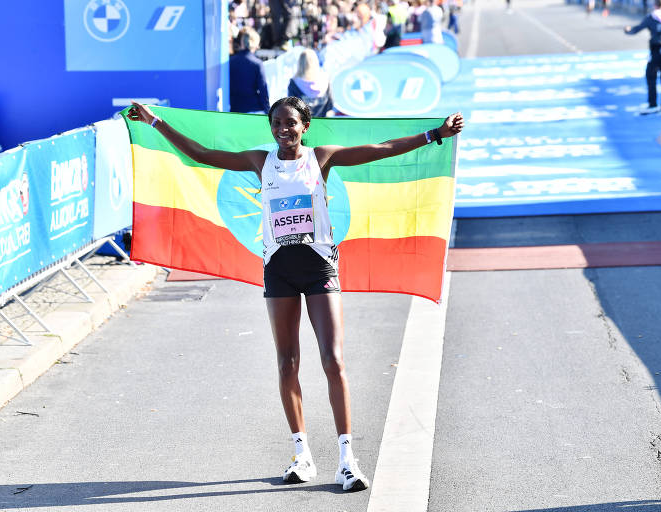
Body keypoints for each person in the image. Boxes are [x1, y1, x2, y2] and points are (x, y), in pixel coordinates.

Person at [126, 97, 464, 492]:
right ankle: (301, 454)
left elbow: (382, 149)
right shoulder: (260, 161)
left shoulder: (321, 158)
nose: (283, 130)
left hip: (319, 267)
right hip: (279, 271)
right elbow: (201, 154)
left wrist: (435, 134)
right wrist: (154, 122)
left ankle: (346, 460)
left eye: (291, 123)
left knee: (333, 360)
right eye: (276, 124)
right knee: (287, 362)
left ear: (305, 125)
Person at [625, 0, 661, 114]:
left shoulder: (652, 16)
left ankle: (652, 103)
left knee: (651, 76)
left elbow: (637, 29)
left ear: (655, 5)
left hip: (656, 50)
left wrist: (627, 30)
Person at [229, 27, 270, 114]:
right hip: (254, 109)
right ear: (255, 44)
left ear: (242, 43)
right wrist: (267, 110)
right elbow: (263, 90)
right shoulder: (257, 64)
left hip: (234, 109)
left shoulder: (230, 62)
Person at [287, 49, 333, 118]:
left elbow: (291, 109)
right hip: (323, 125)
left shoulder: (294, 83)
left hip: (302, 127)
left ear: (300, 63)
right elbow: (330, 105)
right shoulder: (325, 81)